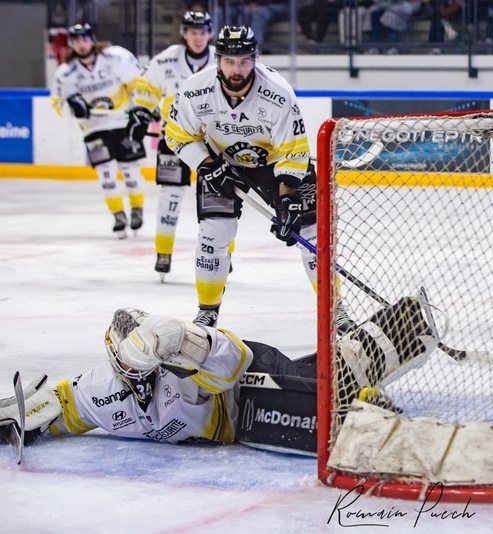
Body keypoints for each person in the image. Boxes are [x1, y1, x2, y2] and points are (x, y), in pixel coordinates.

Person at [0, 299, 433, 452]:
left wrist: (183, 339)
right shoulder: (100, 391)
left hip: (246, 386)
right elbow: (59, 404)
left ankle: (364, 413)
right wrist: (21, 420)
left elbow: (232, 360)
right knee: (335, 366)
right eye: (131, 364)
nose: (144, 373)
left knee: (312, 401)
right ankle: (404, 323)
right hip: (231, 425)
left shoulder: (180, 354)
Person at [163, 25, 355, 333]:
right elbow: (176, 135)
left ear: (255, 59)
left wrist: (288, 199)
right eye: (228, 61)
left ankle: (336, 311)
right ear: (217, 59)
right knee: (213, 237)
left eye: (243, 61)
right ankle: (207, 311)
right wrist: (206, 164)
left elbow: (292, 152)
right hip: (220, 163)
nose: (236, 69)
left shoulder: (277, 94)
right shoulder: (194, 89)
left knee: (312, 233)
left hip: (275, 164)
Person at [134, 11, 215, 281]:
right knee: (170, 197)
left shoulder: (221, 58)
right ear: (184, 32)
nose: (198, 37)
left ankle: (224, 253)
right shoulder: (167, 58)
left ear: (210, 33)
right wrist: (143, 113)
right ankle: (163, 252)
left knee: (220, 200)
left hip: (214, 143)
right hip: (173, 139)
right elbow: (146, 88)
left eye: (202, 32)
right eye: (192, 32)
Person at [53, 23, 154, 239]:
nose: (81, 45)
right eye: (76, 41)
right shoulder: (66, 73)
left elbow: (140, 85)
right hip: (94, 129)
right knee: (106, 173)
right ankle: (118, 215)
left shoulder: (117, 58)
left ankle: (137, 208)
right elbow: (57, 103)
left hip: (123, 122)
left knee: (131, 172)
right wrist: (72, 104)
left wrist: (143, 109)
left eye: (85, 39)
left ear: (93, 39)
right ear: (71, 44)